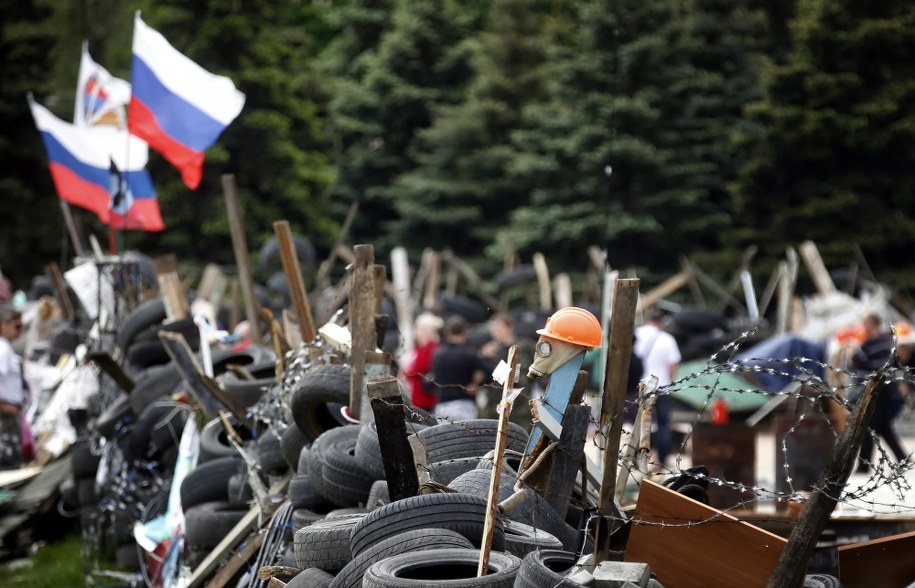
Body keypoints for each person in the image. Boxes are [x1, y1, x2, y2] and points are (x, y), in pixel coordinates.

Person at [853, 313, 908, 472]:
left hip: (880, 392)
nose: (864, 328)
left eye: (866, 324)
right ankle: (902, 458)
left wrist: (859, 360)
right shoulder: (876, 342)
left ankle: (864, 465)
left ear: (873, 324)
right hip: (876, 390)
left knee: (869, 428)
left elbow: (881, 365)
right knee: (882, 428)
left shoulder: (882, 342)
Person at [634, 307, 681, 469]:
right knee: (663, 424)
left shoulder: (637, 335)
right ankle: (661, 460)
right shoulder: (667, 339)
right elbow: (673, 365)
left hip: (641, 385)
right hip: (662, 386)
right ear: (661, 321)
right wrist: (669, 380)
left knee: (639, 425)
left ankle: (636, 459)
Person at [429, 315, 490, 422]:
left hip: (443, 405)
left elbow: (430, 381)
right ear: (464, 332)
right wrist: (476, 384)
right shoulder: (469, 354)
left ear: (447, 332)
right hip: (464, 404)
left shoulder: (438, 354)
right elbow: (489, 373)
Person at [0, 306, 26, 469]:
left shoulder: (6, 348)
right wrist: (3, 406)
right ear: (4, 325)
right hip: (6, 414)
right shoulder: (2, 350)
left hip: (10, 412)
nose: (20, 331)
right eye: (17, 327)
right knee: (9, 461)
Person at [401, 313, 443, 412]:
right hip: (417, 394)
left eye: (419, 329)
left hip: (425, 397)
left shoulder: (431, 348)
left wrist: (405, 374)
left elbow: (420, 367)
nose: (417, 332)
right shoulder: (420, 347)